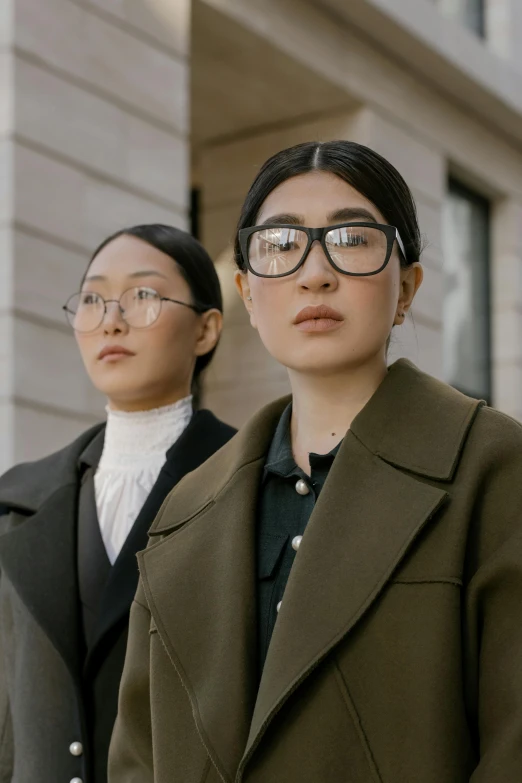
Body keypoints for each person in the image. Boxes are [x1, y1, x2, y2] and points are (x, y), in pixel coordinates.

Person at [109, 142, 522, 783]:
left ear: (406, 286)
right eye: (280, 244)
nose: (314, 273)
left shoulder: (495, 469)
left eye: (352, 239)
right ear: (247, 291)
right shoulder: (185, 509)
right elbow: (139, 757)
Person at [0, 224, 236, 783]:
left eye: (144, 296)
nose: (112, 318)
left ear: (206, 330)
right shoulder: (17, 501)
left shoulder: (252, 483)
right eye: (91, 299)